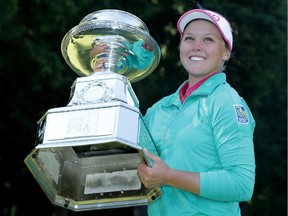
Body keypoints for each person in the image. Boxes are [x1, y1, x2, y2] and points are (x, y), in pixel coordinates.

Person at [137, 7, 256, 216]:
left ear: (226, 52)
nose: (196, 47)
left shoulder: (225, 102)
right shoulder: (159, 108)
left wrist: (169, 176)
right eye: (189, 38)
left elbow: (241, 184)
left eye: (208, 40)